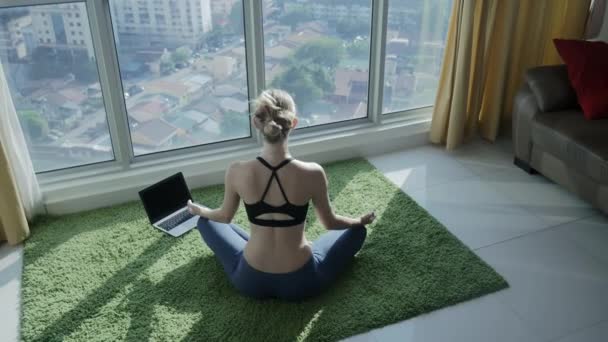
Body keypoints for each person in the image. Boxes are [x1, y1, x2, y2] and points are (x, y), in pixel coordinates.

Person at [187, 89, 375, 301]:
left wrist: (199, 210)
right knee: (357, 232)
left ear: (256, 123)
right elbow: (330, 223)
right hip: (302, 283)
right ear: (293, 123)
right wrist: (359, 220)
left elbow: (224, 217)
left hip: (249, 280)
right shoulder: (313, 172)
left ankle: (258, 242)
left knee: (205, 222)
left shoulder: (237, 170)